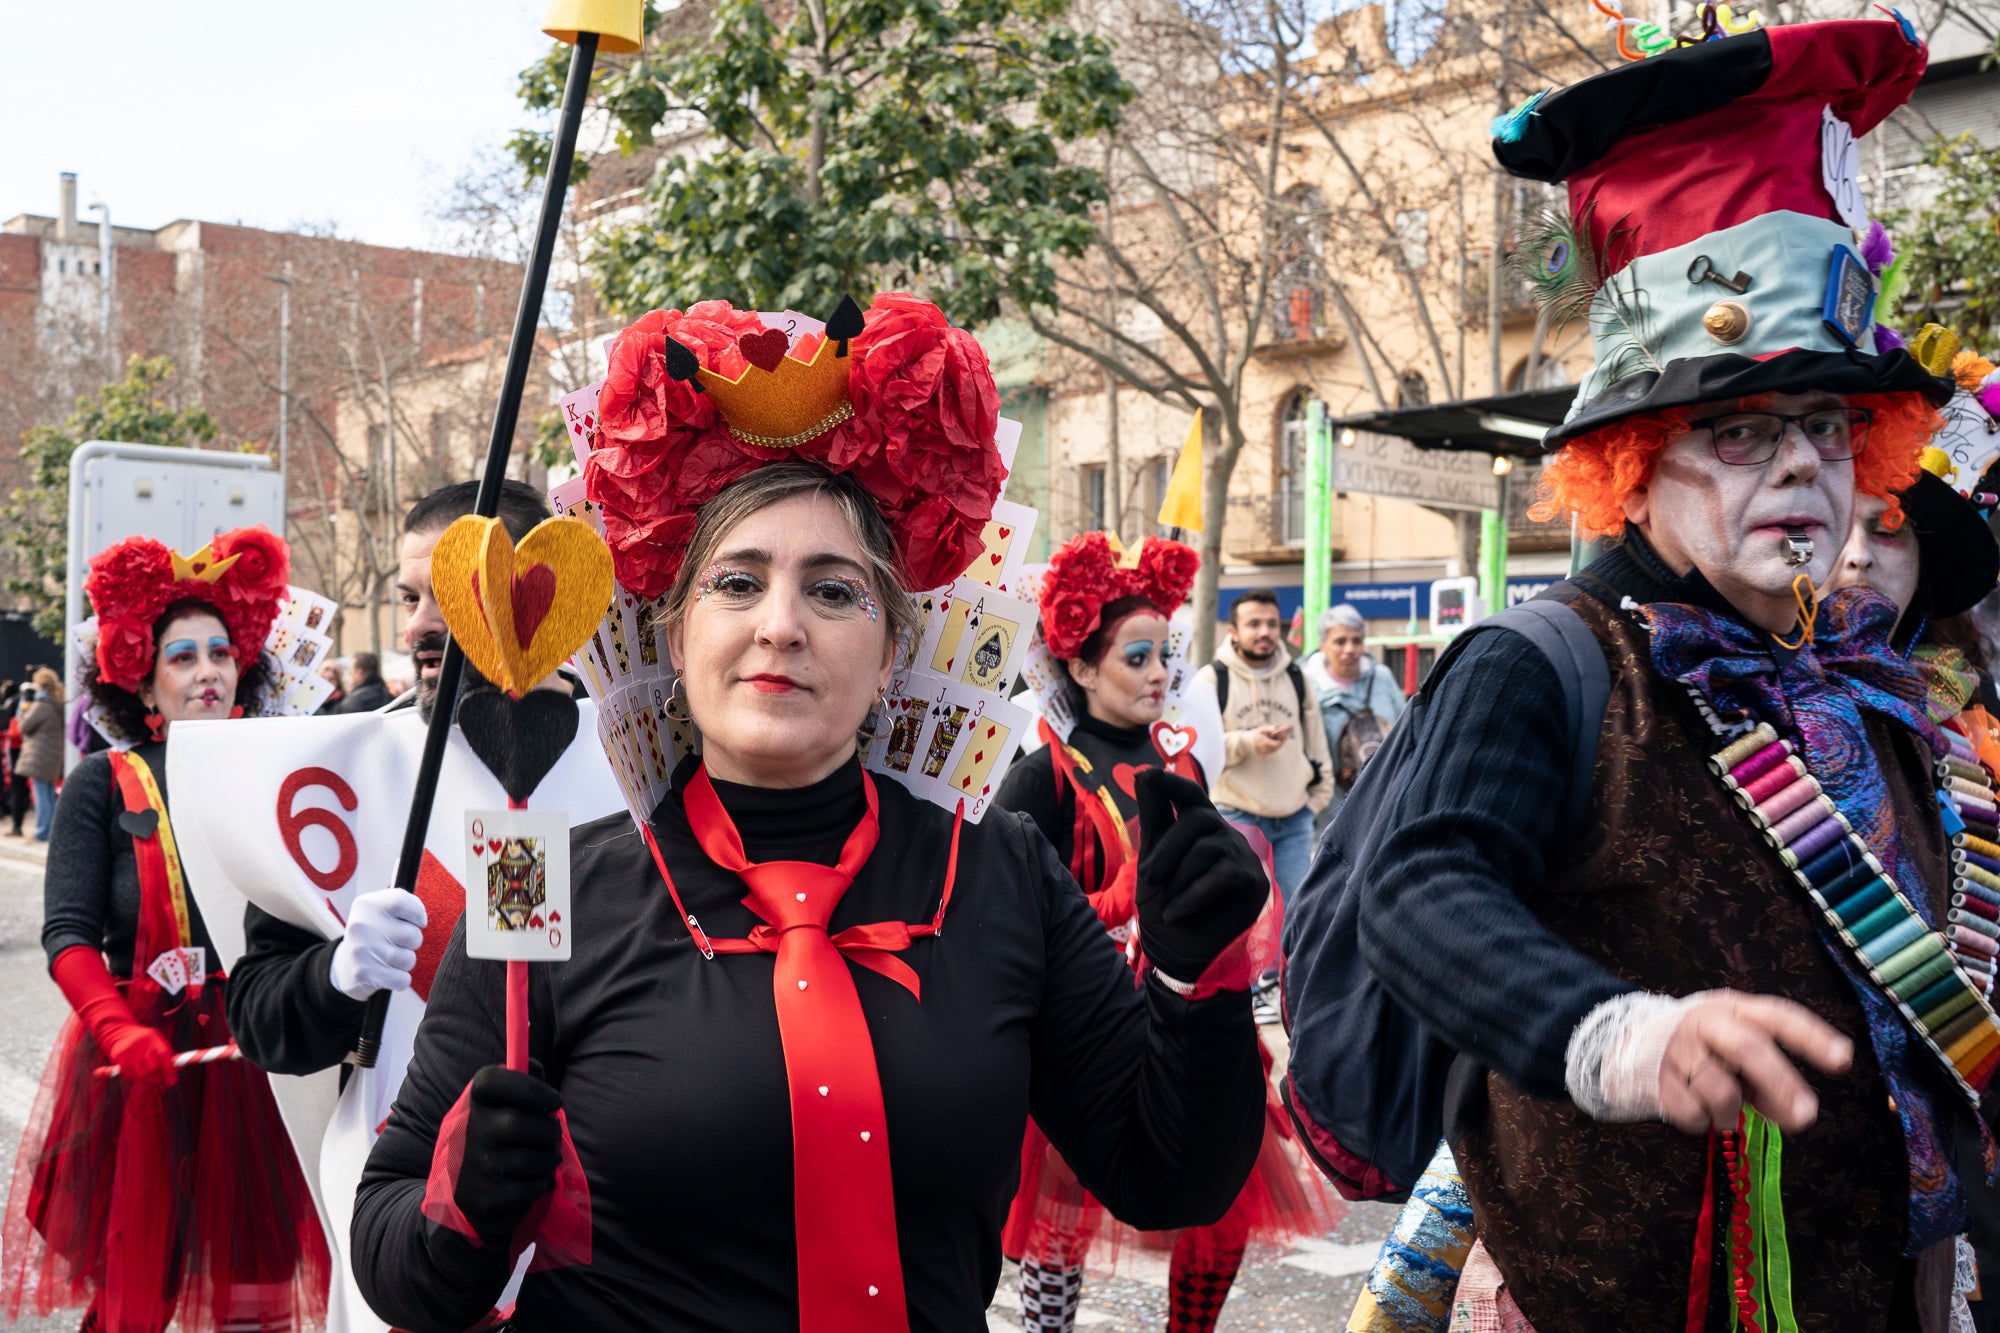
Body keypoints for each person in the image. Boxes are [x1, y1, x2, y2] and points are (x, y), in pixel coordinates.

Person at [349, 293, 1272, 1332]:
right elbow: (395, 1263)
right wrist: (460, 1209)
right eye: (737, 584)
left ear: (889, 656)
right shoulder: (544, 886)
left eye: (832, 593)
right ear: (675, 630)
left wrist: (1196, 980)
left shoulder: (1000, 873)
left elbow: (1168, 1178)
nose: (780, 625)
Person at [1287, 18, 1998, 1329]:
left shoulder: (1857, 677)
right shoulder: (1540, 662)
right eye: (1740, 429)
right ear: (1633, 459)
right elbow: (1417, 890)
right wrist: (1622, 1037)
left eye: (1831, 428)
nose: (1800, 469)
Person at [206, 478, 623, 1333]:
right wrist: (334, 976)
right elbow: (261, 1019)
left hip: (603, 1236)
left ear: (534, 599)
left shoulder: (631, 763)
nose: (417, 627)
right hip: (402, 1225)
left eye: (449, 595)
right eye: (407, 598)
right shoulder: (338, 776)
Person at [995, 529, 1335, 1333]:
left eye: (1163, 656)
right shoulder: (1042, 773)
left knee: (1222, 1200)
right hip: (1082, 1021)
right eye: (1136, 657)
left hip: (1186, 1011)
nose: (1159, 675)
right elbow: (1006, 909)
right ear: (1079, 666)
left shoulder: (1182, 764)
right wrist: (1114, 909)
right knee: (1059, 1231)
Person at [0, 526, 329, 1333]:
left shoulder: (279, 773)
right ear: (143, 685)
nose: (207, 670)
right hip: (141, 1074)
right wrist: (114, 1029)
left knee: (254, 1298)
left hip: (257, 1070)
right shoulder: (99, 783)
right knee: (135, 1294)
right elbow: (68, 932)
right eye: (182, 657)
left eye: (220, 651)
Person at [1195, 591, 1331, 904]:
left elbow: (1316, 742)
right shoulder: (1212, 679)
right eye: (1253, 624)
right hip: (1236, 816)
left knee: (1293, 914)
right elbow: (1197, 752)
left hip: (1295, 819)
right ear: (1234, 632)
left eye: (1272, 623)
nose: (1265, 632)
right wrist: (1248, 742)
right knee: (1240, 914)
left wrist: (1315, 801)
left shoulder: (1297, 676)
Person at [1301, 603, 1405, 826]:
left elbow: (1405, 728)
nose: (1350, 649)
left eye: (1356, 641)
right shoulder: (1308, 685)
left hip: (1383, 797)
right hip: (1329, 809)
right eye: (1340, 641)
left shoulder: (1382, 677)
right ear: (1323, 646)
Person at [17, 668, 65, 843]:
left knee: (42, 795)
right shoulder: (57, 703)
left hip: (39, 755)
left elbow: (24, 726)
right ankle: (50, 830)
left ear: (41, 685)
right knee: (48, 794)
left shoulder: (42, 705)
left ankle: (42, 832)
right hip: (52, 755)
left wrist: (24, 710)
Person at [5, 683, 31, 838]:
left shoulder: (26, 704)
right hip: (30, 751)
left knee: (19, 786)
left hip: (22, 750)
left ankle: (18, 825)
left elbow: (22, 727)